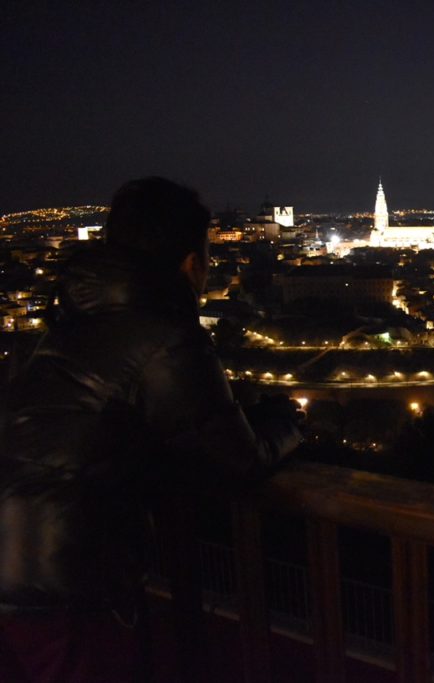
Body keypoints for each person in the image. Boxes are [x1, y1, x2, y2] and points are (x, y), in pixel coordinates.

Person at [0, 177, 303, 681]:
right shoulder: (165, 334)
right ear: (192, 262)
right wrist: (289, 423)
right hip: (64, 584)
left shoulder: (67, 321)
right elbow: (237, 460)